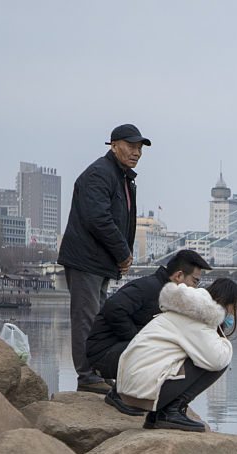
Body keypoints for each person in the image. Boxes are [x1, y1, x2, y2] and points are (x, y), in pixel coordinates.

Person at [58, 123, 150, 393]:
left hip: (99, 261)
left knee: (98, 318)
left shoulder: (120, 175)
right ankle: (87, 376)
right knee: (86, 318)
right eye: (131, 146)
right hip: (86, 260)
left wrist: (121, 255)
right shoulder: (100, 173)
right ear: (113, 146)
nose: (136, 152)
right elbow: (98, 219)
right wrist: (123, 254)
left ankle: (95, 372)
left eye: (140, 148)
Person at [108, 277, 237, 430]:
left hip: (130, 388)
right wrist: (226, 343)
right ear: (224, 302)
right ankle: (171, 411)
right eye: (234, 308)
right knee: (219, 360)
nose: (233, 314)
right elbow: (217, 359)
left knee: (201, 354)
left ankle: (158, 415)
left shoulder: (185, 309)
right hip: (140, 391)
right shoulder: (197, 317)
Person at [85, 248, 211, 381]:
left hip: (119, 353)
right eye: (195, 282)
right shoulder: (149, 288)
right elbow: (114, 309)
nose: (196, 288)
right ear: (179, 276)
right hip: (103, 356)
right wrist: (138, 340)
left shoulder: (168, 295)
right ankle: (121, 394)